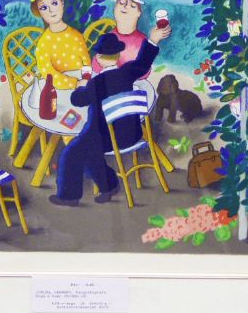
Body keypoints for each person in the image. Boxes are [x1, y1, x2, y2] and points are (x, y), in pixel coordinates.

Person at [49, 24, 172, 206]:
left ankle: (69, 196)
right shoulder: (127, 72)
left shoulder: (95, 83)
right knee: (89, 153)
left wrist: (81, 86)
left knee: (71, 153)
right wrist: (153, 40)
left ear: (98, 58)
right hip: (132, 134)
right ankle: (109, 186)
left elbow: (77, 100)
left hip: (106, 138)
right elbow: (143, 62)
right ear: (118, 55)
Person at [31, 0, 91, 90]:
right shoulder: (43, 43)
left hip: (83, 83)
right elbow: (48, 73)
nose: (51, 10)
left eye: (54, 3)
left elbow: (86, 61)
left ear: (62, 3)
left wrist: (86, 80)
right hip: (57, 87)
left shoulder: (76, 35)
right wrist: (75, 83)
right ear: (39, 12)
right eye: (44, 8)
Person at [91, 0, 150, 79]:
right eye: (122, 3)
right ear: (114, 9)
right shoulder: (108, 38)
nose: (126, 6)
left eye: (132, 6)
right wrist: (102, 63)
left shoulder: (143, 40)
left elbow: (145, 71)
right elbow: (95, 67)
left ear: (139, 13)